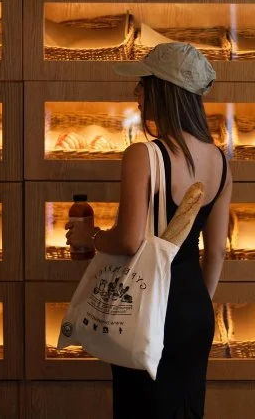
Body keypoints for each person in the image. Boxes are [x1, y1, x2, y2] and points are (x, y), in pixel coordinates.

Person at [66, 42, 231, 418]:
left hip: (146, 305)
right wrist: (191, 305)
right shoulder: (220, 161)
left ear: (163, 90)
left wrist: (88, 237)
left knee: (140, 409)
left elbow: (128, 240)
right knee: (187, 409)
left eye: (143, 83)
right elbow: (216, 251)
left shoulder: (144, 155)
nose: (136, 93)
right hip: (194, 308)